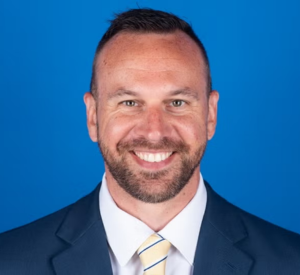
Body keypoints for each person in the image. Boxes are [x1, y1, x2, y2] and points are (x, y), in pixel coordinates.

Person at [0, 8, 299, 275]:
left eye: (178, 103)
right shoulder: (9, 262)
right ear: (93, 117)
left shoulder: (291, 263)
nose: (155, 132)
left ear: (210, 115)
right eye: (130, 103)